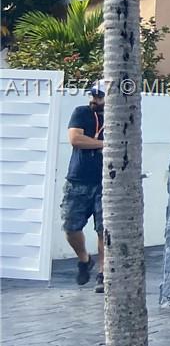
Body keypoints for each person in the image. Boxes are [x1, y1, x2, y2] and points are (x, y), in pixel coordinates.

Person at [63, 80, 106, 290]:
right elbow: (75, 139)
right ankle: (84, 259)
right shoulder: (81, 112)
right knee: (71, 227)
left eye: (99, 96)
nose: (94, 100)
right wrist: (105, 144)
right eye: (93, 95)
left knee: (104, 230)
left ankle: (103, 274)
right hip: (78, 179)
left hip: (106, 181)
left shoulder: (120, 117)